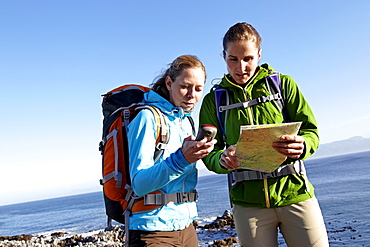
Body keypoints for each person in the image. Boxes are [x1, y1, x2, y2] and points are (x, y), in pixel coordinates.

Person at [199, 23, 329, 246]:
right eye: (233, 59)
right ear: (223, 56)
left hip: (295, 194)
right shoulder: (213, 101)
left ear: (259, 54)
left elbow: (311, 132)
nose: (241, 67)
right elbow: (207, 151)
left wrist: (304, 145)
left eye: (248, 58)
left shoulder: (283, 85)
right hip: (248, 204)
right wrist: (221, 160)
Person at [127, 55, 216, 247]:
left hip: (187, 227)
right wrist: (181, 159)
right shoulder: (147, 118)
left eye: (198, 89)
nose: (192, 95)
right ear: (169, 82)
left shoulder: (186, 121)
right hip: (152, 231)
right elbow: (139, 184)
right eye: (185, 86)